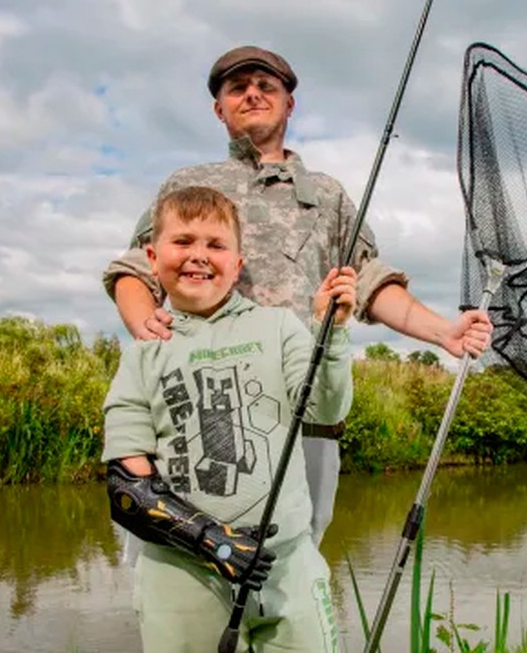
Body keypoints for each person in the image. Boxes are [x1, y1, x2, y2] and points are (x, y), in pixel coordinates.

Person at [104, 45, 493, 544]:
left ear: (289, 104)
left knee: (292, 561)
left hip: (302, 412)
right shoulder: (188, 184)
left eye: (266, 87)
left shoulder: (327, 194)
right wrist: (142, 321)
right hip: (196, 410)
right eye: (237, 88)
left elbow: (369, 281)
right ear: (218, 108)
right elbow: (136, 269)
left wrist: (445, 332)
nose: (252, 94)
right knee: (180, 556)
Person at [103, 185, 354, 652]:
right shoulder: (142, 352)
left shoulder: (279, 327)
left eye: (216, 245)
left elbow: (326, 407)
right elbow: (126, 486)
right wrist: (214, 542)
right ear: (152, 259)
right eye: (183, 242)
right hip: (181, 575)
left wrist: (332, 332)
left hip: (287, 567)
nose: (199, 255)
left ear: (238, 265)